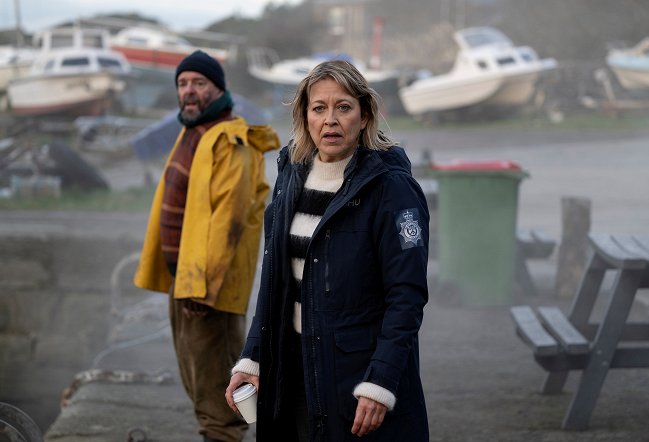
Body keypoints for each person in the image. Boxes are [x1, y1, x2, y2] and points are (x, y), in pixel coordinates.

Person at [225, 60, 430, 441]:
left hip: (357, 377)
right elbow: (276, 282)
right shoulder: (290, 178)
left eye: (344, 107)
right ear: (305, 115)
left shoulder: (392, 189)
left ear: (365, 115)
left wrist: (380, 382)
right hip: (294, 370)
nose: (330, 120)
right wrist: (253, 357)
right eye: (319, 108)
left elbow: (407, 296)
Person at [133, 50, 280, 442]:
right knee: (199, 381)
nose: (189, 91)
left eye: (199, 83)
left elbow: (228, 225)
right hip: (185, 281)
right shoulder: (193, 131)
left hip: (208, 291)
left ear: (218, 88)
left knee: (220, 393)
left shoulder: (232, 140)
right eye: (183, 84)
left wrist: (203, 288)